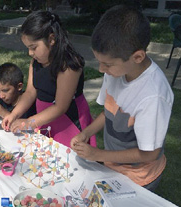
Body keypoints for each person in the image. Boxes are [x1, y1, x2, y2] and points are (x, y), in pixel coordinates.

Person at [70, 5, 174, 191]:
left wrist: (99, 154)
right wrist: (86, 133)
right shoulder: (115, 73)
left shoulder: (153, 96)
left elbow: (150, 153)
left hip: (140, 177)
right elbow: (108, 112)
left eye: (107, 64)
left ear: (137, 57)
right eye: (100, 62)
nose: (102, 70)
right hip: (113, 165)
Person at [1, 11, 96, 148]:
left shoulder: (68, 66)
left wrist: (28, 122)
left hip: (69, 123)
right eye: (28, 48)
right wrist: (14, 114)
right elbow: (30, 93)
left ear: (51, 39)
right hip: (44, 120)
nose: (30, 53)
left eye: (33, 48)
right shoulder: (36, 62)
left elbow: (60, 107)